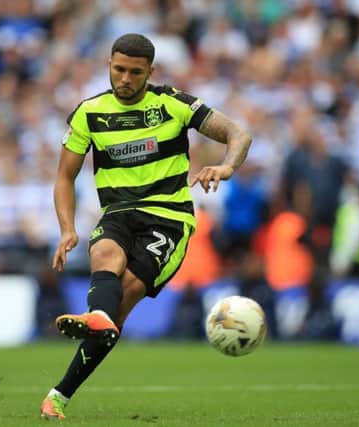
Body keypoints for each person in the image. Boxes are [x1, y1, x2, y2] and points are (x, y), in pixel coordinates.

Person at [40, 33, 252, 419]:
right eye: (118, 69)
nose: (125, 78)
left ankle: (61, 390)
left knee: (123, 299)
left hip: (168, 219)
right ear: (108, 65)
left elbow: (238, 134)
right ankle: (93, 324)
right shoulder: (89, 113)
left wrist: (227, 166)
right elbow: (63, 177)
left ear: (150, 72)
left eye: (135, 72)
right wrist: (68, 228)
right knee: (104, 252)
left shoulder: (173, 104)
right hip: (118, 212)